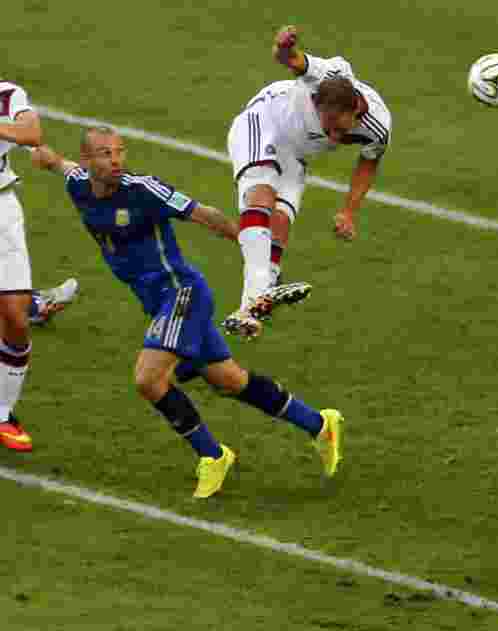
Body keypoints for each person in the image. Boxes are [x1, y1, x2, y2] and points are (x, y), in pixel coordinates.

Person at [31, 128, 345, 498]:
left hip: (182, 294)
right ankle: (320, 425)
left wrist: (253, 248)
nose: (115, 160)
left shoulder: (143, 190)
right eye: (104, 154)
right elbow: (64, 167)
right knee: (229, 380)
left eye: (119, 152)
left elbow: (203, 214)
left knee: (149, 379)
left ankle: (213, 456)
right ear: (88, 161)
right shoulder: (79, 185)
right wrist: (48, 159)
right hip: (157, 301)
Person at [223, 24, 392, 338]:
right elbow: (289, 58)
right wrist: (284, 46)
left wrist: (349, 211)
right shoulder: (324, 75)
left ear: (355, 108)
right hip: (265, 121)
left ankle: (259, 303)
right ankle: (250, 302)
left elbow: (369, 160)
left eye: (340, 131)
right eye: (328, 128)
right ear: (317, 103)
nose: (333, 137)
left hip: (296, 151)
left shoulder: (378, 124)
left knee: (281, 222)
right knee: (261, 194)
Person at [0, 80, 42, 452]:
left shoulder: (7, 94)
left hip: (2, 210)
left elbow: (31, 134)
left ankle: (2, 412)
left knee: (16, 315)